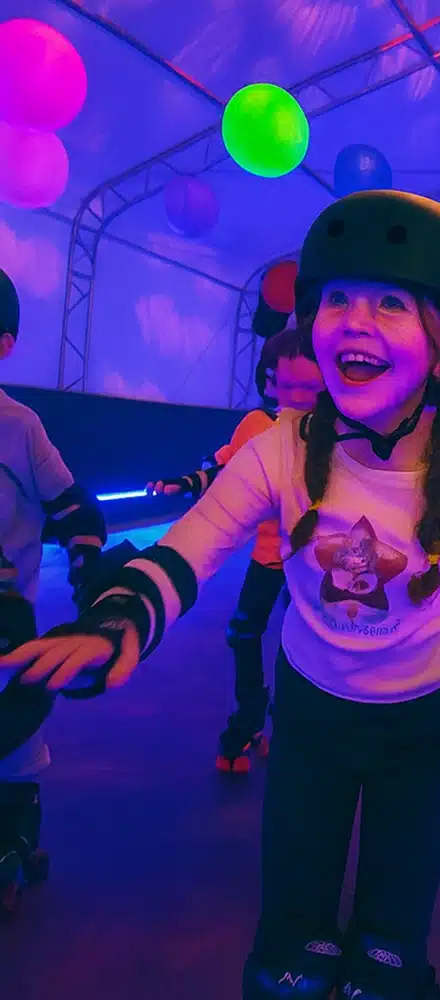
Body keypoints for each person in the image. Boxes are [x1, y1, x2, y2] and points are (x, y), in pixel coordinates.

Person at [1, 191, 440, 1000]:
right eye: (338, 299)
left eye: (390, 304)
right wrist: (119, 618)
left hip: (420, 729)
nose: (355, 323)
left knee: (389, 958)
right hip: (312, 717)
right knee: (291, 954)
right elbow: (190, 547)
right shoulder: (280, 450)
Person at [147, 324, 324, 771]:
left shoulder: (336, 432)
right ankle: (248, 723)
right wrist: (186, 482)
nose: (300, 398)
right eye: (289, 386)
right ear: (271, 381)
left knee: (310, 644)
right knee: (244, 634)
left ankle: (293, 727)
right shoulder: (259, 427)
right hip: (269, 559)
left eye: (312, 388)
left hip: (314, 563)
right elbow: (225, 465)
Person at [0, 267, 108, 914]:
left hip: (6, 622)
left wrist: (88, 569)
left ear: (4, 344)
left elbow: (71, 506)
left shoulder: (19, 426)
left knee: (14, 742)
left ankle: (13, 839)